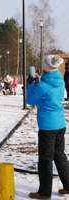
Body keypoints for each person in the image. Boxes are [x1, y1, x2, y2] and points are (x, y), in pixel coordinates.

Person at [27, 55, 69, 199]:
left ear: (45, 67)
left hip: (47, 126)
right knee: (59, 155)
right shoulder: (59, 80)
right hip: (60, 123)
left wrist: (31, 84)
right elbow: (48, 90)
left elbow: (30, 100)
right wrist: (39, 82)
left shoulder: (43, 86)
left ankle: (44, 192)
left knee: (45, 159)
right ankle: (68, 185)